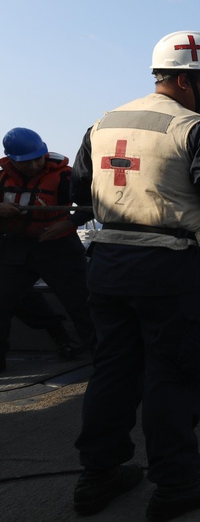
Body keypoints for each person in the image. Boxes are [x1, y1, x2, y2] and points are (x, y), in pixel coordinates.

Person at [71, 31, 200, 520]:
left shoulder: (101, 124)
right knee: (174, 375)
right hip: (171, 269)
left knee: (112, 372)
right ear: (188, 79)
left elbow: (81, 195)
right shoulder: (197, 128)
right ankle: (175, 482)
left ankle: (98, 475)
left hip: (106, 265)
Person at [0, 128, 94, 370]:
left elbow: (91, 205)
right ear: (11, 160)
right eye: (26, 162)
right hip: (16, 248)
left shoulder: (65, 177)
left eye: (38, 159)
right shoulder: (2, 179)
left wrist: (69, 222)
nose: (33, 165)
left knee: (82, 305)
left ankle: (104, 361)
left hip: (60, 248)